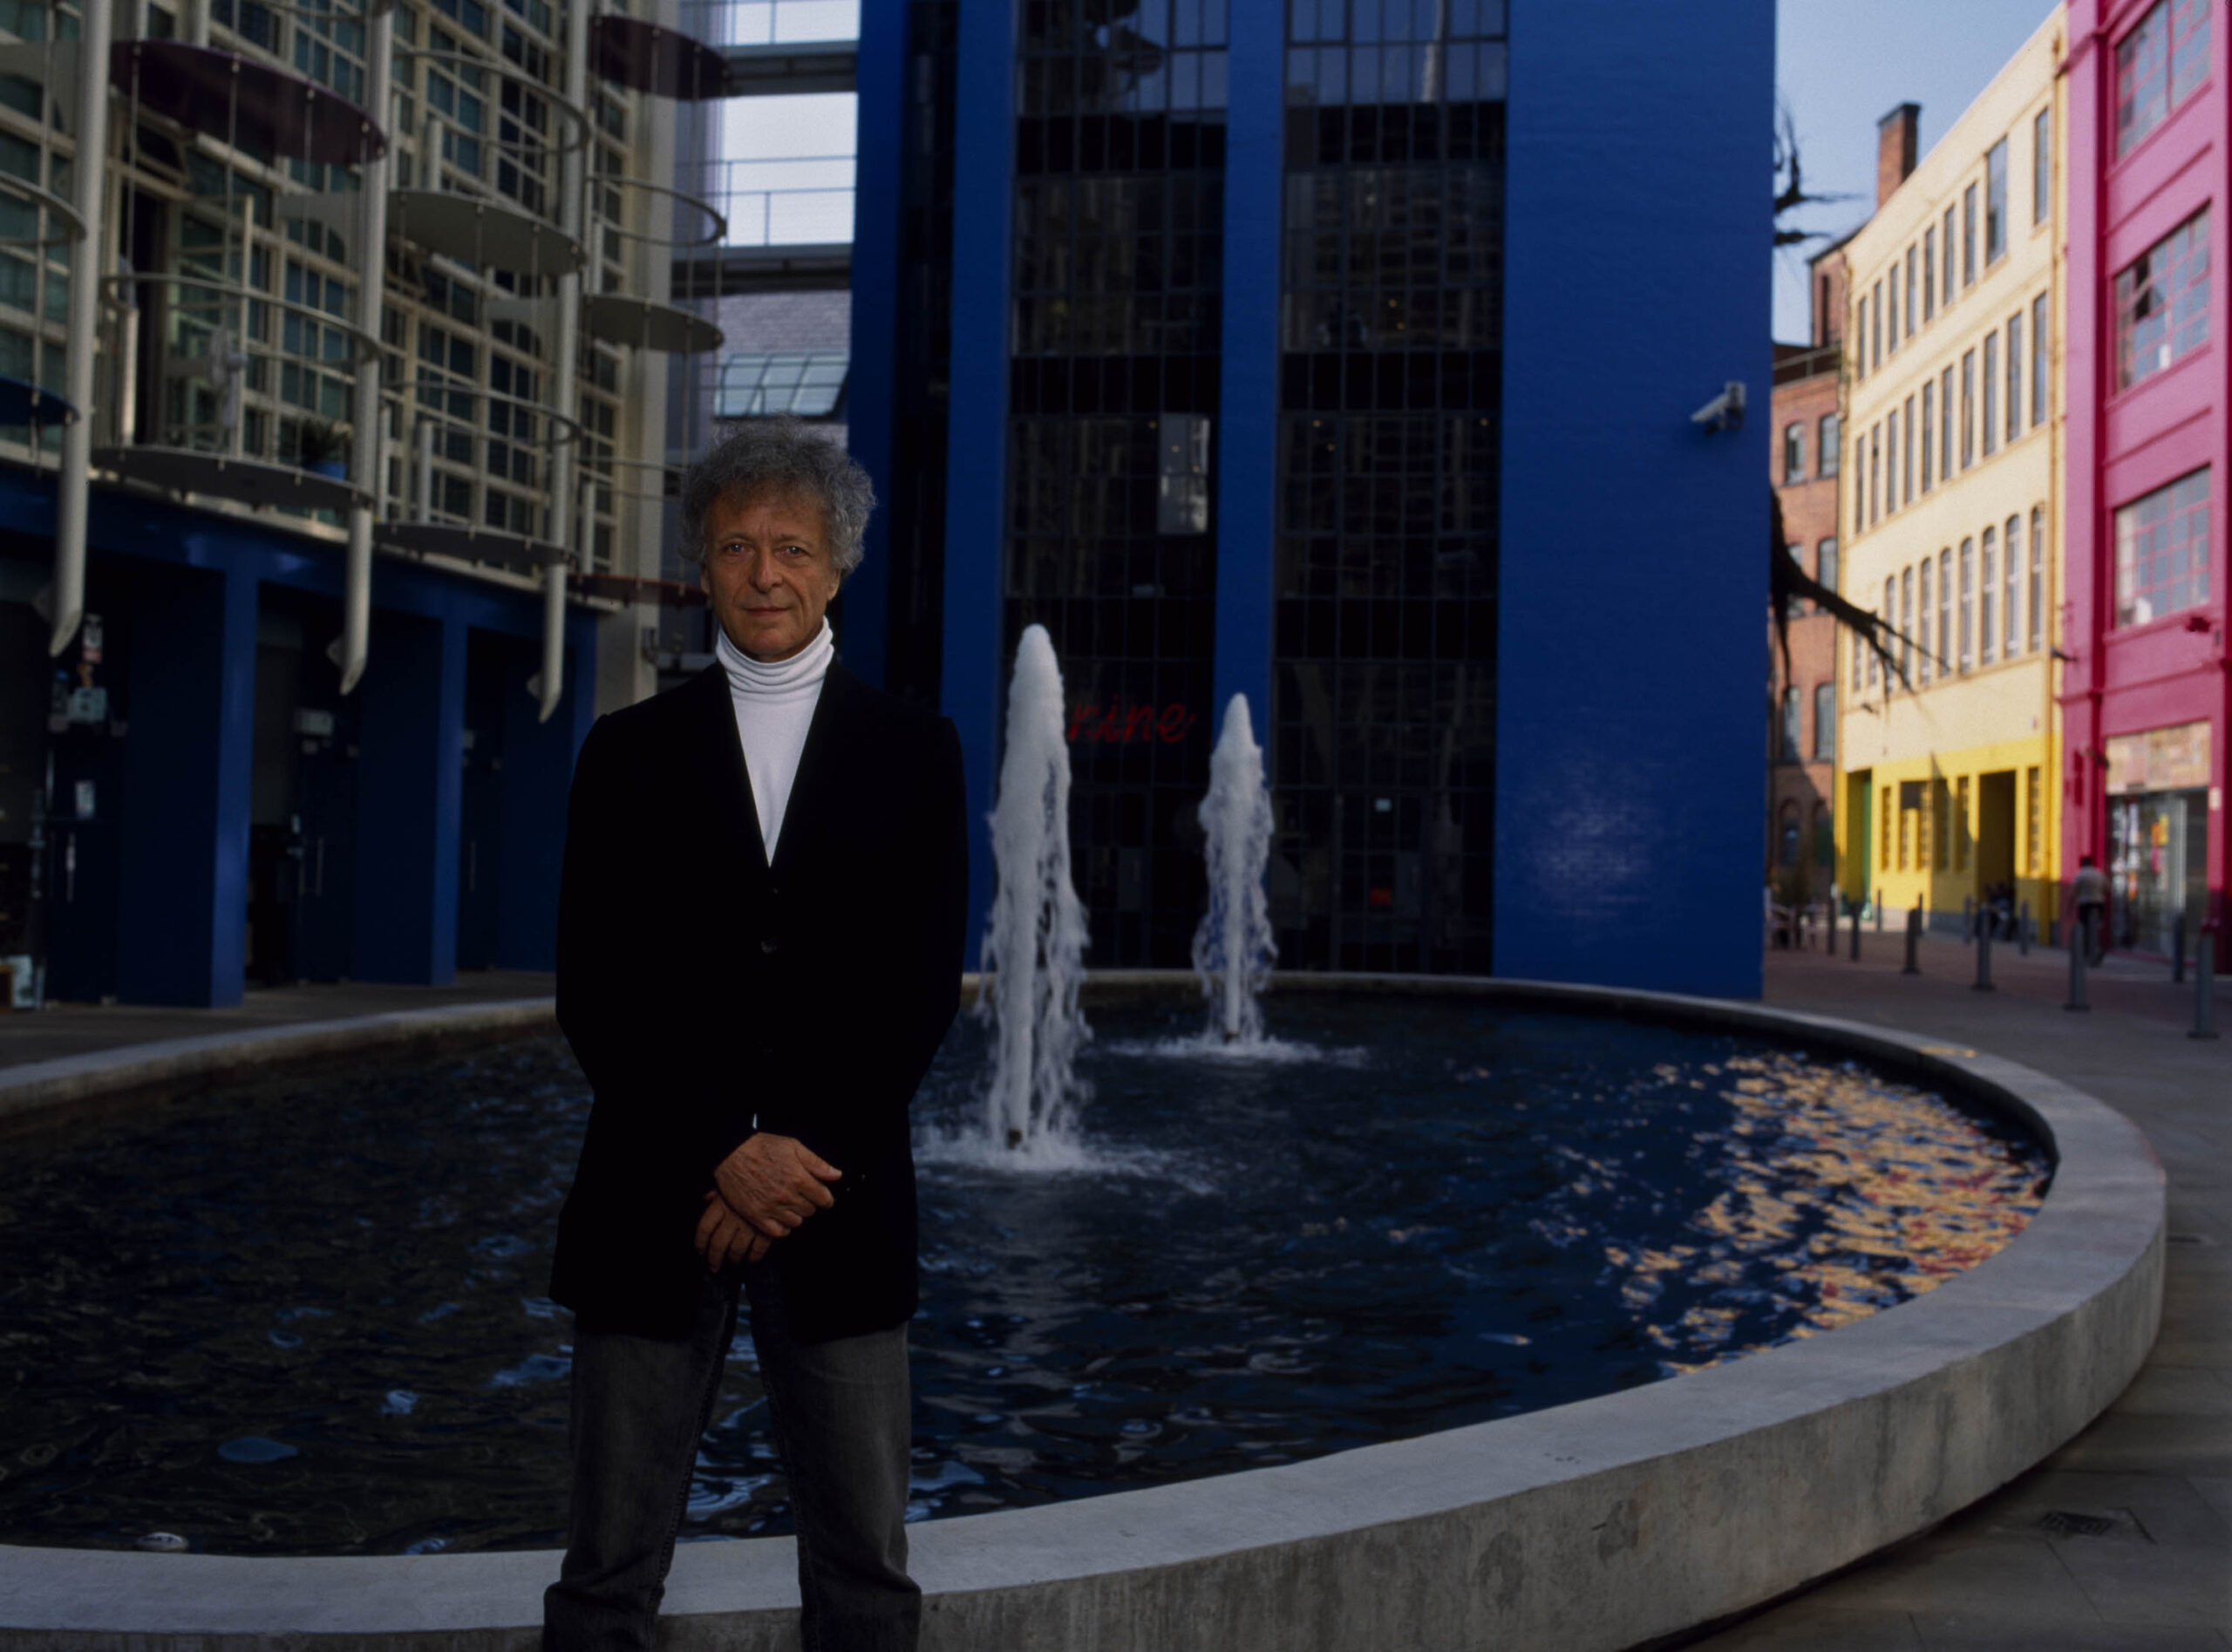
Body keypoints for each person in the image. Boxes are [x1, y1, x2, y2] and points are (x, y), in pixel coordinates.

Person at [542, 419, 969, 1652]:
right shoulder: (627, 754)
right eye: (738, 545)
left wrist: (791, 1157)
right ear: (703, 564)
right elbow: (596, 991)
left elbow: (917, 993)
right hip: (651, 1200)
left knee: (865, 1576)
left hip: (840, 1203)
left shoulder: (913, 751)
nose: (765, 573)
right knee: (605, 1572)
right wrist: (722, 1147)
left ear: (838, 567)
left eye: (792, 546)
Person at [2071, 853, 2109, 966]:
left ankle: (2088, 951)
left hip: (2084, 904)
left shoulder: (2081, 875)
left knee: (2085, 929)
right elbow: (2107, 888)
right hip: (2099, 904)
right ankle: (2097, 948)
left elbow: (2074, 891)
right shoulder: (2099, 874)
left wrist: (2069, 907)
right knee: (2096, 927)